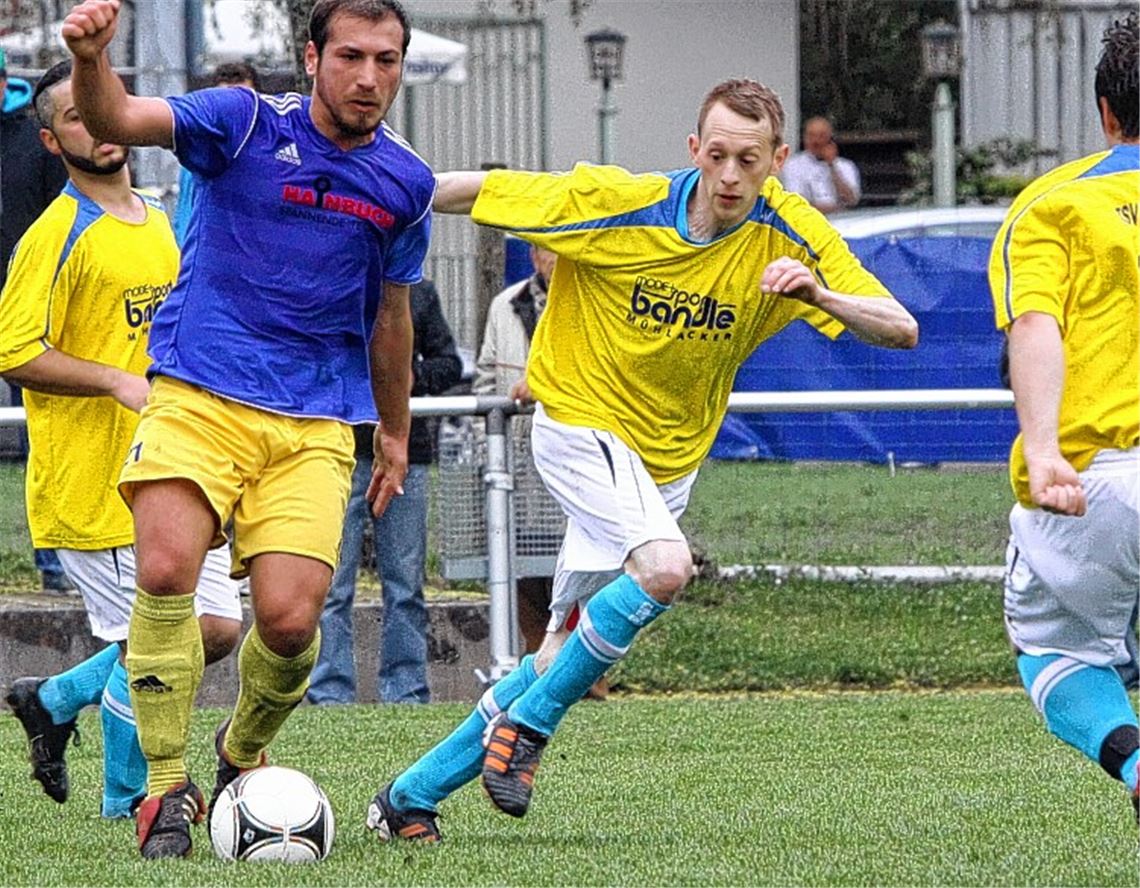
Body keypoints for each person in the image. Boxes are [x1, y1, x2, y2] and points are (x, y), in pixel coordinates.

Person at [364, 77, 918, 842]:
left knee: (556, 655)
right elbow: (480, 191)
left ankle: (408, 798)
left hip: (666, 462)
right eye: (717, 155)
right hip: (578, 422)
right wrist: (380, 194)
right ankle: (530, 729)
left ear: (778, 160)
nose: (730, 175)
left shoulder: (791, 232)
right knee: (664, 567)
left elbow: (899, 327)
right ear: (694, 149)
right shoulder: (622, 203)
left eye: (749, 160)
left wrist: (822, 297)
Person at [61, 0, 431, 859]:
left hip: (314, 419)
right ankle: (163, 790)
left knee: (292, 625)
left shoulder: (406, 183)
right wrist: (89, 59)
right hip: (198, 390)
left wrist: (395, 430)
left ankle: (240, 752)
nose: (369, 77)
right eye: (351, 56)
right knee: (164, 570)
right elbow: (118, 119)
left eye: (386, 60)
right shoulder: (243, 121)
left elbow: (392, 316)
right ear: (312, 58)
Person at [0, 60, 243, 821]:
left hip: (174, 466)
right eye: (74, 117)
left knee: (216, 629)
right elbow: (13, 349)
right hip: (96, 482)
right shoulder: (56, 234)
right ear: (51, 140)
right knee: (153, 641)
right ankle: (128, 801)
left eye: (99, 108)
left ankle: (54, 699)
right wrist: (114, 380)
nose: (97, 125)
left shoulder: (158, 217)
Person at [987, 11, 1139, 820]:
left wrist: (1043, 449)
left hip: (1104, 481)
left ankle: (1136, 762)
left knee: (1055, 649)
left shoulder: (1052, 204)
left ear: (1106, 113)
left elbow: (1035, 321)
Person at [308, 278, 461, 705]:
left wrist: (410, 376)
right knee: (332, 584)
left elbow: (450, 364)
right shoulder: (335, 285)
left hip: (406, 456)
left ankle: (406, 692)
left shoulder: (419, 292)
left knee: (405, 583)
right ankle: (329, 695)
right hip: (338, 452)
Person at [473, 244, 608, 700]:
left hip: (581, 455)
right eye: (550, 251)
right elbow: (487, 374)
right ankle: (540, 668)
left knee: (585, 563)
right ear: (534, 255)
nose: (556, 260)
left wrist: (546, 385)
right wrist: (488, 440)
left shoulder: (597, 298)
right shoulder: (505, 305)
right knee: (523, 568)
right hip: (519, 459)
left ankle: (588, 673)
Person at [0, 46, 75, 594]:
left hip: (32, 308)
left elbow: (63, 218)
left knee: (42, 436)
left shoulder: (37, 141)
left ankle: (54, 563)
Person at [170, 61, 260, 245]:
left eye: (243, 103)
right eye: (224, 103)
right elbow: (185, 218)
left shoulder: (274, 155)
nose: (233, 113)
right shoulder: (198, 156)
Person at [780, 116, 860, 214]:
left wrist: (832, 166)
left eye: (821, 136)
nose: (816, 141)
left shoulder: (846, 166)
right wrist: (835, 209)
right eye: (811, 136)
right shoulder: (793, 165)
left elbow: (851, 200)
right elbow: (798, 203)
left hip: (844, 220)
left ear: (830, 139)